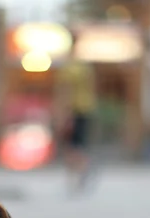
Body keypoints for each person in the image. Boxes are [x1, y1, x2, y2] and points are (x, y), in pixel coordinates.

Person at [53, 32, 97, 193]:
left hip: (72, 111)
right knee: (80, 144)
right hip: (86, 109)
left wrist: (62, 115)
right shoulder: (84, 66)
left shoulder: (69, 67)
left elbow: (66, 92)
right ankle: (80, 171)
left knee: (71, 147)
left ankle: (81, 170)